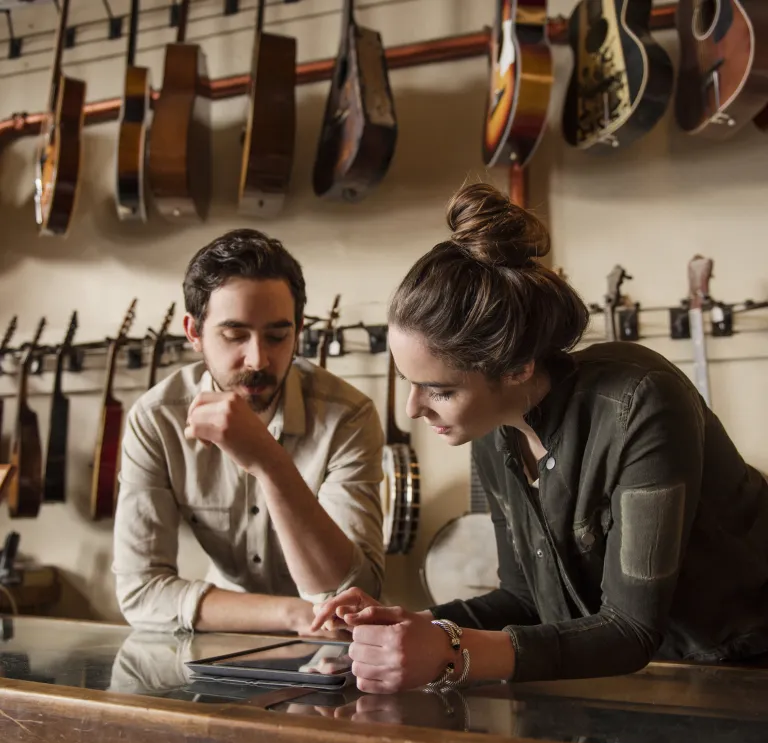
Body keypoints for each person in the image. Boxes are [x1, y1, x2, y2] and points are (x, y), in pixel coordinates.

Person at [312, 182, 768, 693]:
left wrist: (450, 652)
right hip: (645, 683)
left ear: (515, 368)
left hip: (745, 672)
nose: (412, 408)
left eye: (436, 390)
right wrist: (409, 625)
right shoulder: (492, 427)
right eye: (409, 382)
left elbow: (631, 629)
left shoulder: (641, 402)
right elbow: (526, 599)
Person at [113, 229, 385, 635]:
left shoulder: (348, 416)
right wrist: (293, 615)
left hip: (335, 650)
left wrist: (270, 463)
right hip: (222, 636)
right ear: (194, 333)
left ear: (298, 329)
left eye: (278, 336)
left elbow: (353, 593)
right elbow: (141, 591)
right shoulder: (155, 420)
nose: (258, 359)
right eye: (234, 334)